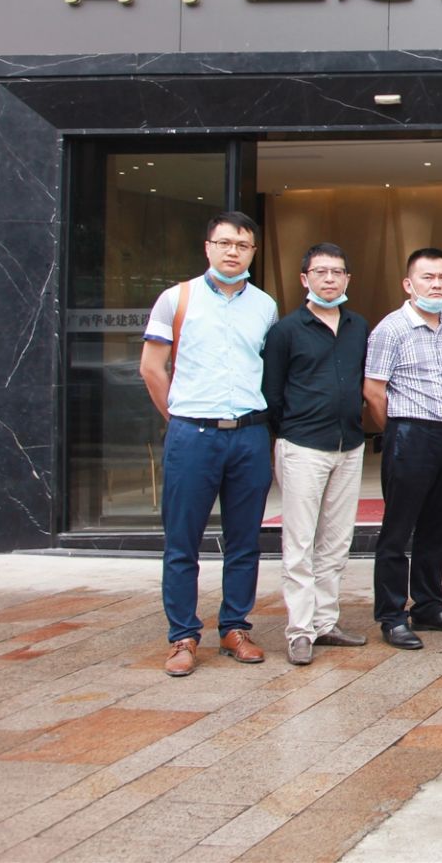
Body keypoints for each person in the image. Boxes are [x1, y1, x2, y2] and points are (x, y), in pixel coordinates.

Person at [139, 211, 279, 677]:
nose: (233, 251)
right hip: (192, 435)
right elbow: (151, 368)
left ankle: (235, 627)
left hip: (249, 434)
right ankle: (182, 635)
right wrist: (181, 419)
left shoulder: (265, 306)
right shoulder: (176, 299)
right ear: (208, 247)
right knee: (182, 541)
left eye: (243, 245)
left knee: (245, 540)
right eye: (224, 243)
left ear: (253, 252)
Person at [261, 242, 371, 666]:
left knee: (336, 541)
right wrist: (290, 431)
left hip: (349, 445)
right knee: (300, 542)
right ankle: (300, 630)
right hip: (303, 446)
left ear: (347, 279)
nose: (329, 278)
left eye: (337, 272)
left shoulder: (358, 326)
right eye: (320, 272)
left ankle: (326, 622)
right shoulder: (286, 331)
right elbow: (272, 394)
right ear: (304, 278)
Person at [364, 248, 442, 650]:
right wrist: (398, 431)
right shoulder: (391, 329)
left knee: (439, 528)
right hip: (410, 435)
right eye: (428, 278)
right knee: (398, 531)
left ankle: (429, 605)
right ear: (408, 285)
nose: (437, 285)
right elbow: (373, 391)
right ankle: (392, 615)